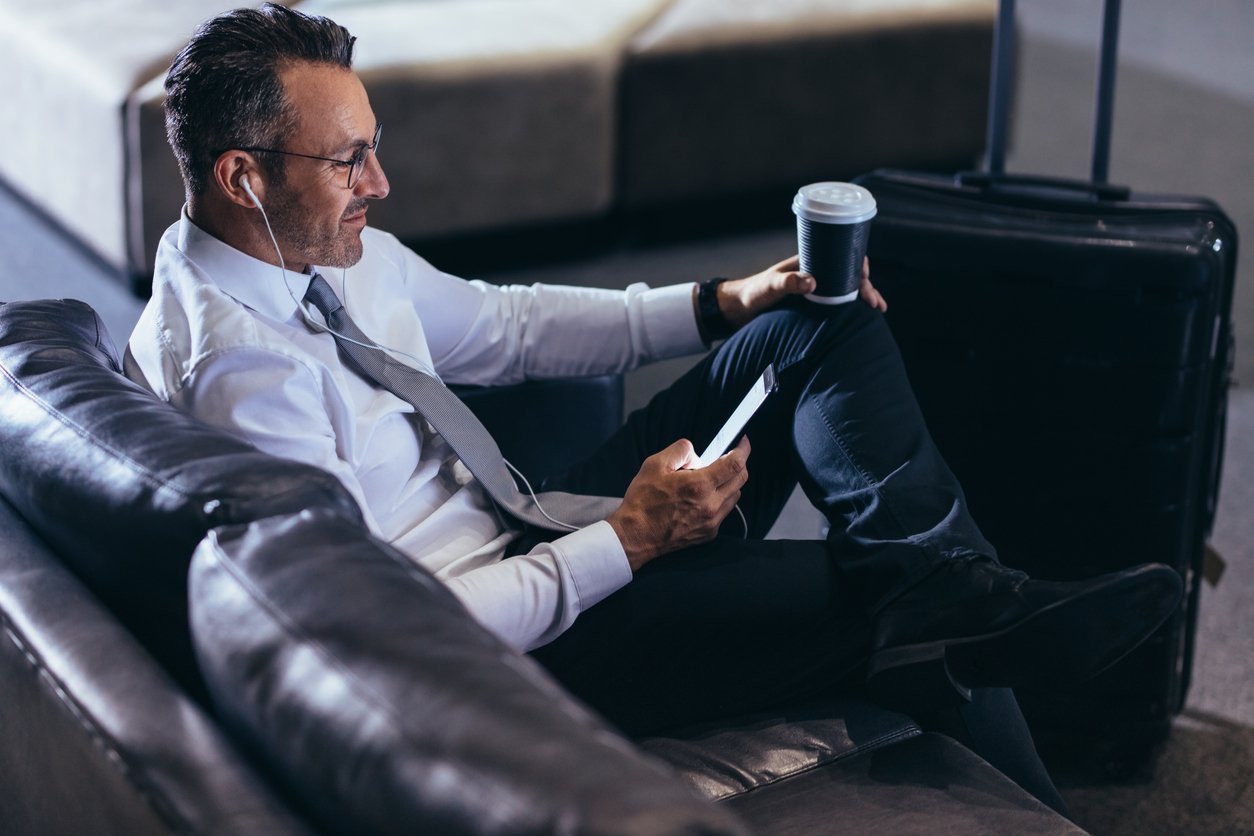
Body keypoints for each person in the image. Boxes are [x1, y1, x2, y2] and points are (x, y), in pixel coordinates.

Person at [126, 3, 1181, 815]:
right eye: (350, 157)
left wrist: (722, 303)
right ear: (242, 176)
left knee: (819, 322)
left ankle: (969, 593)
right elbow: (397, 634)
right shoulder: (241, 384)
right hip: (517, 657)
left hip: (529, 525)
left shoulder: (314, 250)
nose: (382, 182)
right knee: (894, 601)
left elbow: (508, 324)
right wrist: (627, 541)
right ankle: (971, 632)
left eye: (373, 145)